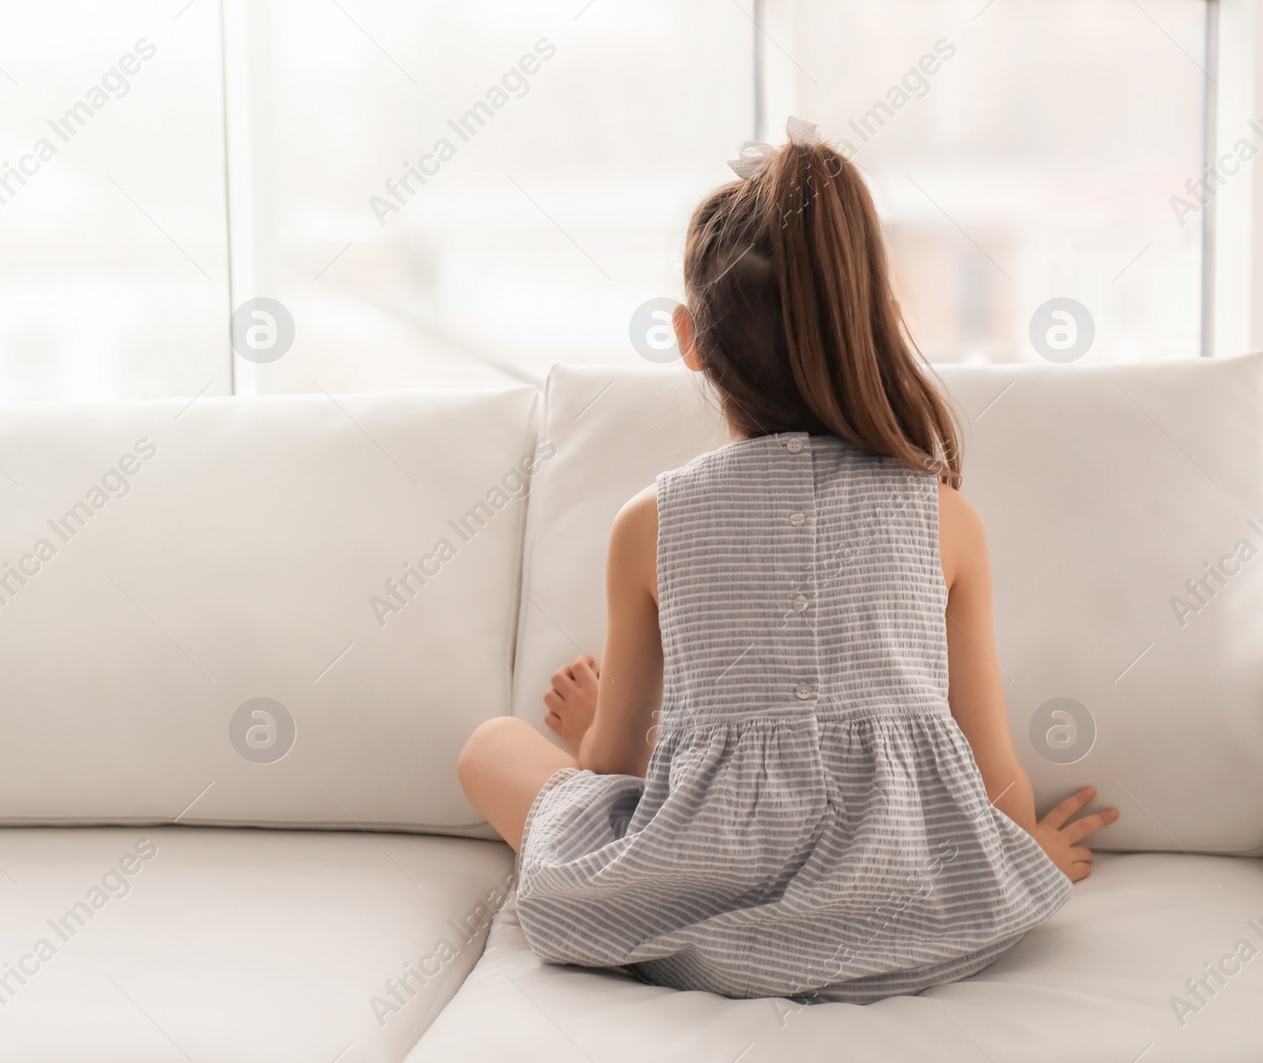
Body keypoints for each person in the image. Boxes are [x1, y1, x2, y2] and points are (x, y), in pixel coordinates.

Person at [456, 120, 1118, 1003]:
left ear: (689, 338)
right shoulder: (946, 519)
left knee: (491, 746)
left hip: (706, 917)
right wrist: (1027, 849)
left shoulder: (649, 524)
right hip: (908, 915)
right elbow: (991, 770)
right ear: (869, 324)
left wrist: (590, 733)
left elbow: (614, 768)